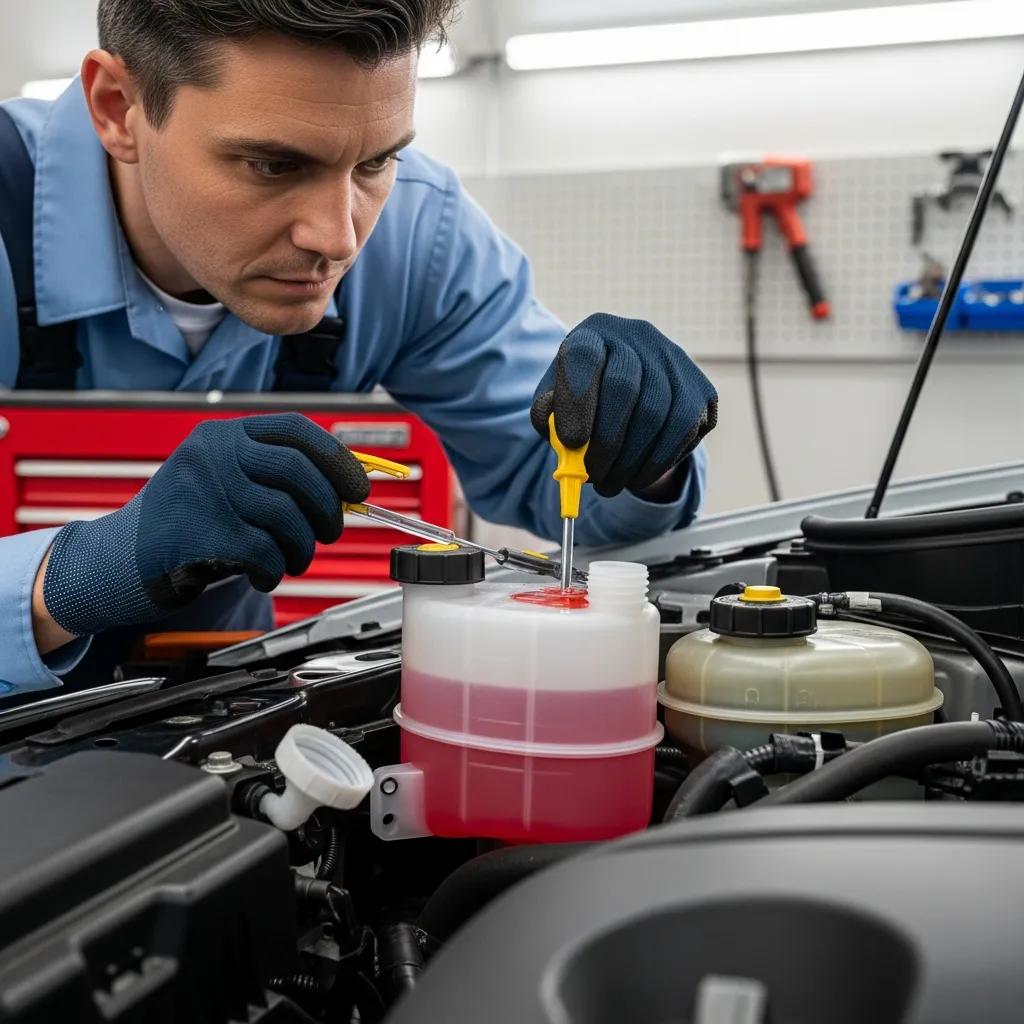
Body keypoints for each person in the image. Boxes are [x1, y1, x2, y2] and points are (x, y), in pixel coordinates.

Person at [0, 0, 718, 695]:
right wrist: (87, 571)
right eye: (273, 166)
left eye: (374, 164)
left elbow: (565, 485)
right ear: (118, 107)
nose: (338, 239)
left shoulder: (420, 239)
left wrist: (642, 451)